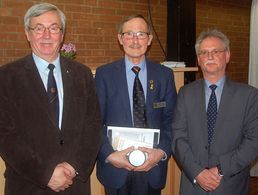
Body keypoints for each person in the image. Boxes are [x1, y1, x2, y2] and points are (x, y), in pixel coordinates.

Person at [0, 3, 102, 195]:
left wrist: (73, 167)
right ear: (27, 34)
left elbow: (93, 125)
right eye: (39, 28)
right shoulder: (6, 77)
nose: (46, 35)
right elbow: (5, 135)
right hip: (28, 184)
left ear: (62, 35)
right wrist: (46, 173)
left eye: (53, 28)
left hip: (74, 185)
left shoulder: (82, 74)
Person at [95, 14, 177, 195]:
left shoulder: (164, 75)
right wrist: (108, 154)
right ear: (120, 38)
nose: (135, 40)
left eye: (141, 34)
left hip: (152, 166)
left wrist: (162, 152)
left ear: (149, 39)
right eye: (129, 34)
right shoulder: (104, 75)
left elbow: (172, 120)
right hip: (116, 168)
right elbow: (94, 122)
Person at [172, 29, 258, 195]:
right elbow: (178, 137)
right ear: (198, 59)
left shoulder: (249, 96)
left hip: (230, 185)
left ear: (227, 56)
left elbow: (254, 141)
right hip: (193, 185)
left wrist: (220, 170)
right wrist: (197, 172)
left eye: (216, 51)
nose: (209, 57)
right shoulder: (185, 93)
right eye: (204, 52)